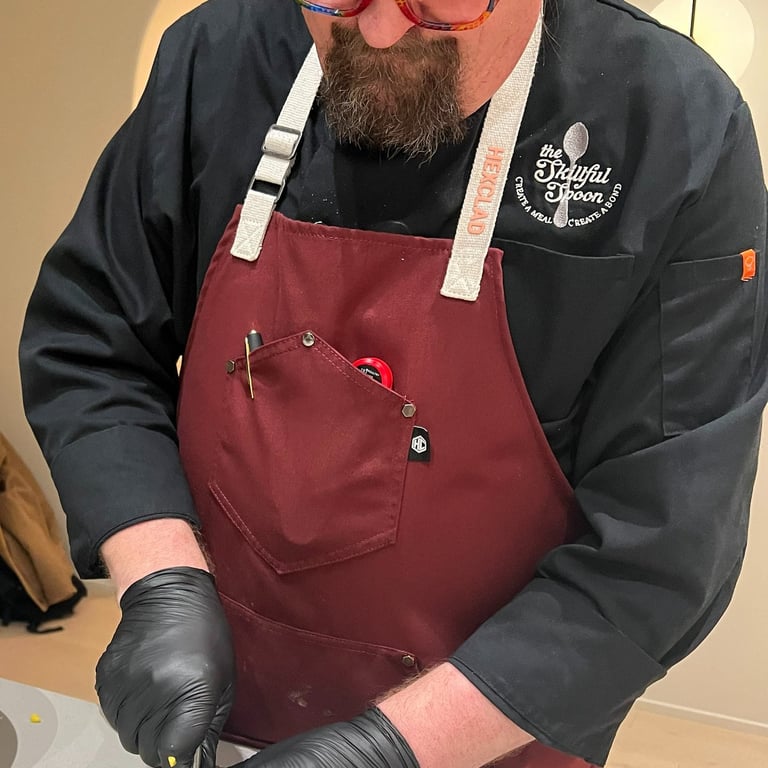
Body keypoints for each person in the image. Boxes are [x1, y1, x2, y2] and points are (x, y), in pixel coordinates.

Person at [19, 0, 767, 767]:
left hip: (486, 734)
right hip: (220, 712)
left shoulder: (674, 128)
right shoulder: (214, 58)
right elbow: (89, 341)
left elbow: (663, 550)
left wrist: (386, 752)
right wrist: (160, 580)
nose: (376, 30)